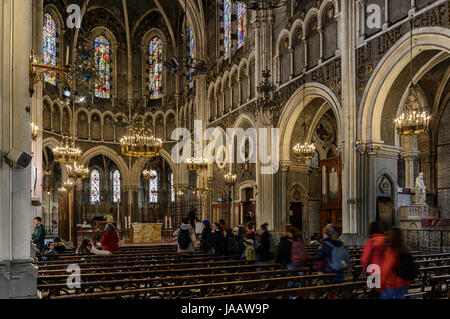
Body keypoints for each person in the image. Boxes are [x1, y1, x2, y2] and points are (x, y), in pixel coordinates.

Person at [380, 227, 414, 299]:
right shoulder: (405, 250)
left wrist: (380, 283)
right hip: (403, 283)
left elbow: (386, 269)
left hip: (391, 284)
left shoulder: (391, 251)